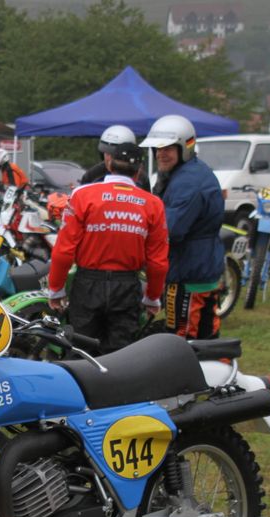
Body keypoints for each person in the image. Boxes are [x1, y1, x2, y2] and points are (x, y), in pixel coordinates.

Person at [47, 143, 169, 353]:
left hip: (87, 284)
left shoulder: (82, 194)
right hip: (126, 287)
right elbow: (157, 262)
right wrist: (152, 297)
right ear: (139, 170)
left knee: (81, 354)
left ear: (110, 164)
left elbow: (64, 250)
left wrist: (56, 289)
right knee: (121, 357)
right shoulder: (153, 203)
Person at [140, 114, 225, 339]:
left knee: (182, 339)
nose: (161, 154)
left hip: (189, 274)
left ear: (185, 147)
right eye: (157, 149)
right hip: (201, 267)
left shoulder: (188, 182)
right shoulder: (187, 173)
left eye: (168, 148)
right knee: (206, 336)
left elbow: (170, 229)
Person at [78, 125, 151, 191]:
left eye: (114, 154)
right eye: (106, 153)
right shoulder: (93, 175)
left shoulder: (141, 178)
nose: (109, 158)